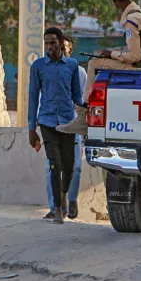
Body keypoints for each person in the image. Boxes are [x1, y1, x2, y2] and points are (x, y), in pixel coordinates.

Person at [57, 0, 141, 136]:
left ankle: (83, 113)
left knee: (94, 63)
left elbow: (134, 55)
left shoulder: (130, 21)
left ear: (114, 1)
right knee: (104, 56)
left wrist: (111, 54)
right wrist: (113, 53)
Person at [28, 27, 84, 224]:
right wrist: (31, 128)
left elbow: (77, 96)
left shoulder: (72, 66)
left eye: (53, 43)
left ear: (61, 43)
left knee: (69, 167)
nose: (49, 47)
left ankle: (64, 194)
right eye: (47, 44)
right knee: (55, 164)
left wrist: (85, 116)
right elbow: (33, 97)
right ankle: (58, 208)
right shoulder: (38, 66)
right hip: (47, 121)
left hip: (68, 122)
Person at [44, 36, 86, 219]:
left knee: (75, 167)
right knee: (52, 167)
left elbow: (83, 100)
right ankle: (55, 207)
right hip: (51, 123)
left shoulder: (80, 72)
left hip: (72, 124)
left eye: (65, 48)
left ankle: (72, 198)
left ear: (71, 51)